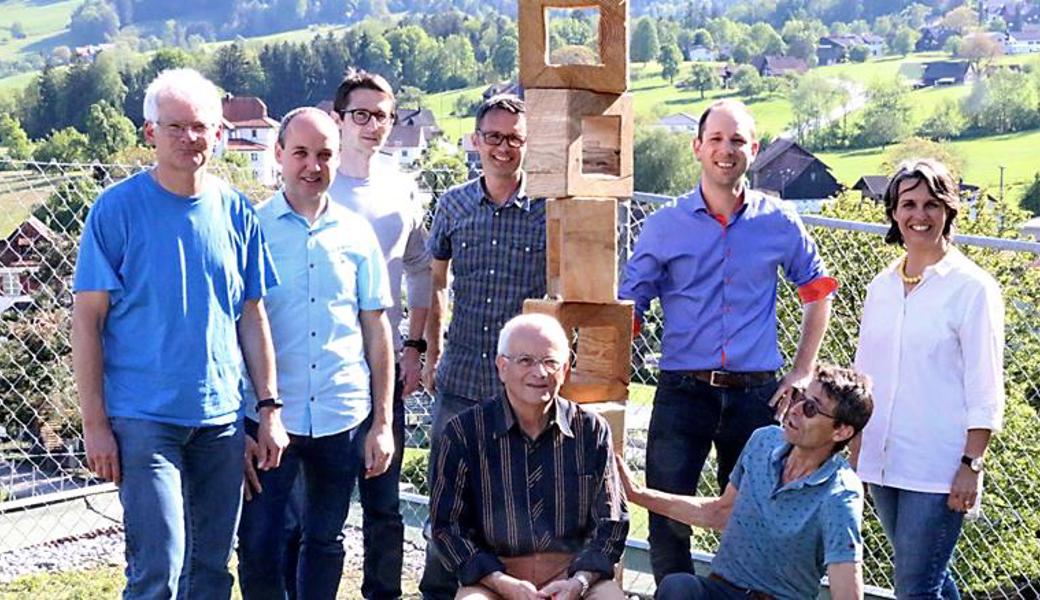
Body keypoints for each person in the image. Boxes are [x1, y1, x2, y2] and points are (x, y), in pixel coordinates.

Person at [71, 67, 288, 599]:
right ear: (150, 133)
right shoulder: (115, 212)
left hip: (218, 421)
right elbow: (87, 322)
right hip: (144, 420)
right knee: (158, 571)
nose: (191, 138)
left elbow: (251, 318)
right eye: (177, 127)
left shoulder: (237, 211)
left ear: (219, 133)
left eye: (203, 127)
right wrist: (95, 425)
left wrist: (268, 408)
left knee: (211, 571)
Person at [618, 98, 837, 583]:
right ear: (698, 147)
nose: (726, 149)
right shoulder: (664, 225)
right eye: (716, 139)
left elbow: (818, 292)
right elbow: (628, 308)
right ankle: (674, 594)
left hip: (758, 396)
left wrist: (802, 371)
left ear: (753, 149)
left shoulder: (778, 221)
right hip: (683, 392)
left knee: (752, 519)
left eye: (737, 140)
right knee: (668, 516)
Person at [235, 107, 395, 599]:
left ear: (337, 157)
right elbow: (232, 324)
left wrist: (382, 422)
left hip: (340, 413)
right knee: (260, 540)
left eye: (324, 154)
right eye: (300, 153)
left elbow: (376, 327)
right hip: (267, 422)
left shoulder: (356, 233)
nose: (312, 165)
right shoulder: (250, 227)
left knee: (325, 540)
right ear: (279, 155)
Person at [852, 158, 1005, 600]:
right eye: (909, 203)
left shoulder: (973, 288)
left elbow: (985, 385)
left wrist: (971, 465)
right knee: (928, 579)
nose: (920, 215)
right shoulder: (880, 287)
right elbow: (865, 377)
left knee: (915, 587)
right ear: (894, 213)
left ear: (949, 212)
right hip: (881, 460)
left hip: (937, 467)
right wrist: (854, 457)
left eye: (932, 204)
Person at [421, 94, 546, 599]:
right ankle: (436, 592)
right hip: (460, 379)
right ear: (476, 141)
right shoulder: (451, 204)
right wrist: (432, 351)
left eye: (514, 138)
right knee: (445, 504)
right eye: (493, 136)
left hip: (522, 391)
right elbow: (434, 282)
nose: (503, 147)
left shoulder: (547, 208)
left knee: (514, 506)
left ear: (527, 144)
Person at [619, 364, 874, 600]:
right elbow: (720, 511)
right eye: (799, 397)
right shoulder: (763, 441)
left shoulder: (840, 492)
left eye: (810, 408)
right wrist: (635, 493)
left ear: (842, 431)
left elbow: (847, 589)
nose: (795, 409)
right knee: (678, 586)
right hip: (721, 589)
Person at [324, 68, 432, 600]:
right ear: (337, 119)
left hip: (383, 366)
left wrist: (416, 344)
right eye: (361, 115)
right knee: (316, 508)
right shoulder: (317, 182)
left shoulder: (400, 184)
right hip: (322, 371)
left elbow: (420, 265)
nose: (373, 126)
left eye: (384, 116)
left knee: (383, 504)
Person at [429, 313, 629, 600]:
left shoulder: (591, 430)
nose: (540, 373)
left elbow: (612, 521)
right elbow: (447, 527)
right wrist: (500, 582)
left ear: (566, 370)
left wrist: (579, 582)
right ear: (502, 367)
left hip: (574, 576)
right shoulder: (464, 433)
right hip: (493, 579)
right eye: (525, 361)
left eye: (550, 362)